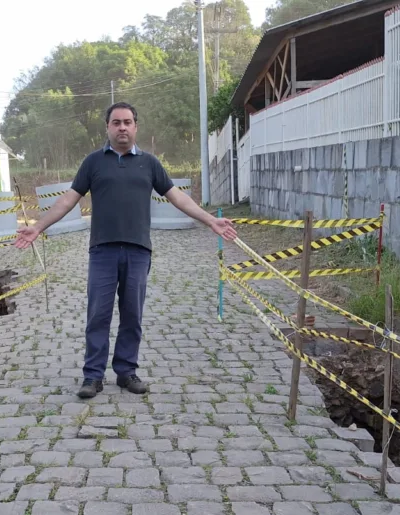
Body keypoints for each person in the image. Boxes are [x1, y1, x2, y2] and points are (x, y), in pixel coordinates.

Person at [15, 102, 238, 399]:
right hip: (102, 252)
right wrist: (38, 226)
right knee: (98, 315)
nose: (122, 127)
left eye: (128, 122)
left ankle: (126, 372)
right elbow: (68, 200)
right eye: (116, 122)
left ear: (135, 127)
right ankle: (92, 376)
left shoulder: (150, 164)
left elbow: (177, 198)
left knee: (132, 315)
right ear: (107, 127)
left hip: (138, 251)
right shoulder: (93, 163)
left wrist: (210, 220)